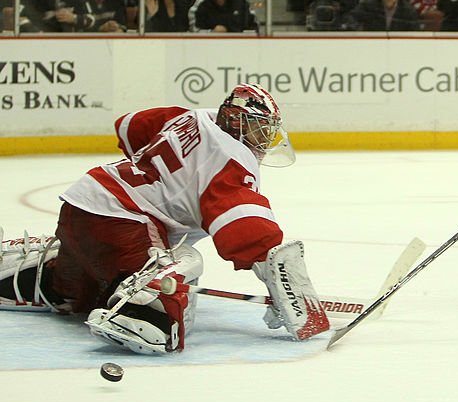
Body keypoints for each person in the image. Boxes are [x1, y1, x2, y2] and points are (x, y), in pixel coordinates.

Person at [0, 84, 330, 354]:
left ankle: (48, 278)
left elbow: (129, 126)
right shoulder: (234, 160)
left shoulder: (193, 116)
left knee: (83, 290)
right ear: (237, 121)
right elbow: (251, 235)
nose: (263, 140)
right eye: (259, 129)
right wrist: (294, 300)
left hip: (80, 204)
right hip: (122, 226)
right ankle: (143, 311)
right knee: (184, 259)